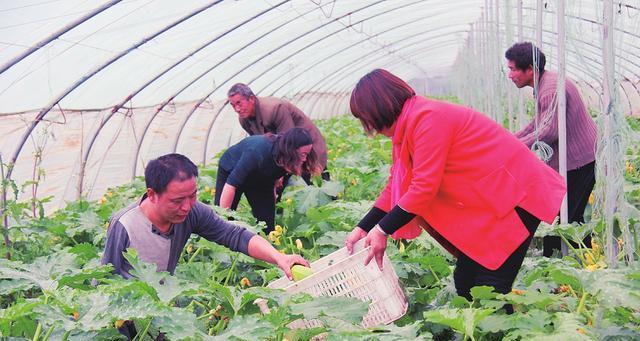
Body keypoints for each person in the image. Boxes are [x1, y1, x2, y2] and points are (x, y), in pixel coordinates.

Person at [343, 69, 566, 306]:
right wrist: (364, 227)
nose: (369, 127)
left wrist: (382, 230)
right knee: (466, 281)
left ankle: (499, 331)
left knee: (491, 287)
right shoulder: (407, 127)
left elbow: (423, 187)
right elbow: (395, 186)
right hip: (491, 201)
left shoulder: (427, 118)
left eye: (365, 119)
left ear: (379, 109)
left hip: (513, 195)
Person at [101, 153, 308, 339]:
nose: (186, 206)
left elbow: (234, 235)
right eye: (177, 200)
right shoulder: (125, 225)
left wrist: (279, 257)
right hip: (127, 316)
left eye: (193, 195)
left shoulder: (192, 211)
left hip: (161, 311)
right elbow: (106, 284)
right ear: (152, 194)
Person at [505, 42, 597, 256]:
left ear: (530, 69)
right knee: (567, 215)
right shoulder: (545, 83)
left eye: (512, 69)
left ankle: (568, 263)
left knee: (566, 217)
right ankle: (576, 260)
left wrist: (517, 147)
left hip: (580, 160)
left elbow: (549, 130)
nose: (510, 75)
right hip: (575, 159)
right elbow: (538, 122)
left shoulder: (549, 89)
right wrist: (510, 140)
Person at [215, 128, 321, 233]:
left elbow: (275, 180)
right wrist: (223, 218)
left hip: (260, 180)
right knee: (224, 221)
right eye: (303, 154)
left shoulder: (290, 159)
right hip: (230, 169)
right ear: (291, 151)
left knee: (267, 226)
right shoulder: (257, 152)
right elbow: (231, 185)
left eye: (307, 154)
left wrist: (271, 199)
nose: (305, 159)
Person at [227, 83, 329, 186]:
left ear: (252, 99)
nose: (237, 109)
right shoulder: (244, 120)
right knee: (279, 182)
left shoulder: (275, 108)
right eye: (233, 105)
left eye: (239, 103)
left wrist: (279, 173)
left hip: (306, 146)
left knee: (316, 184)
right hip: (285, 152)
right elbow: (258, 143)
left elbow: (290, 142)